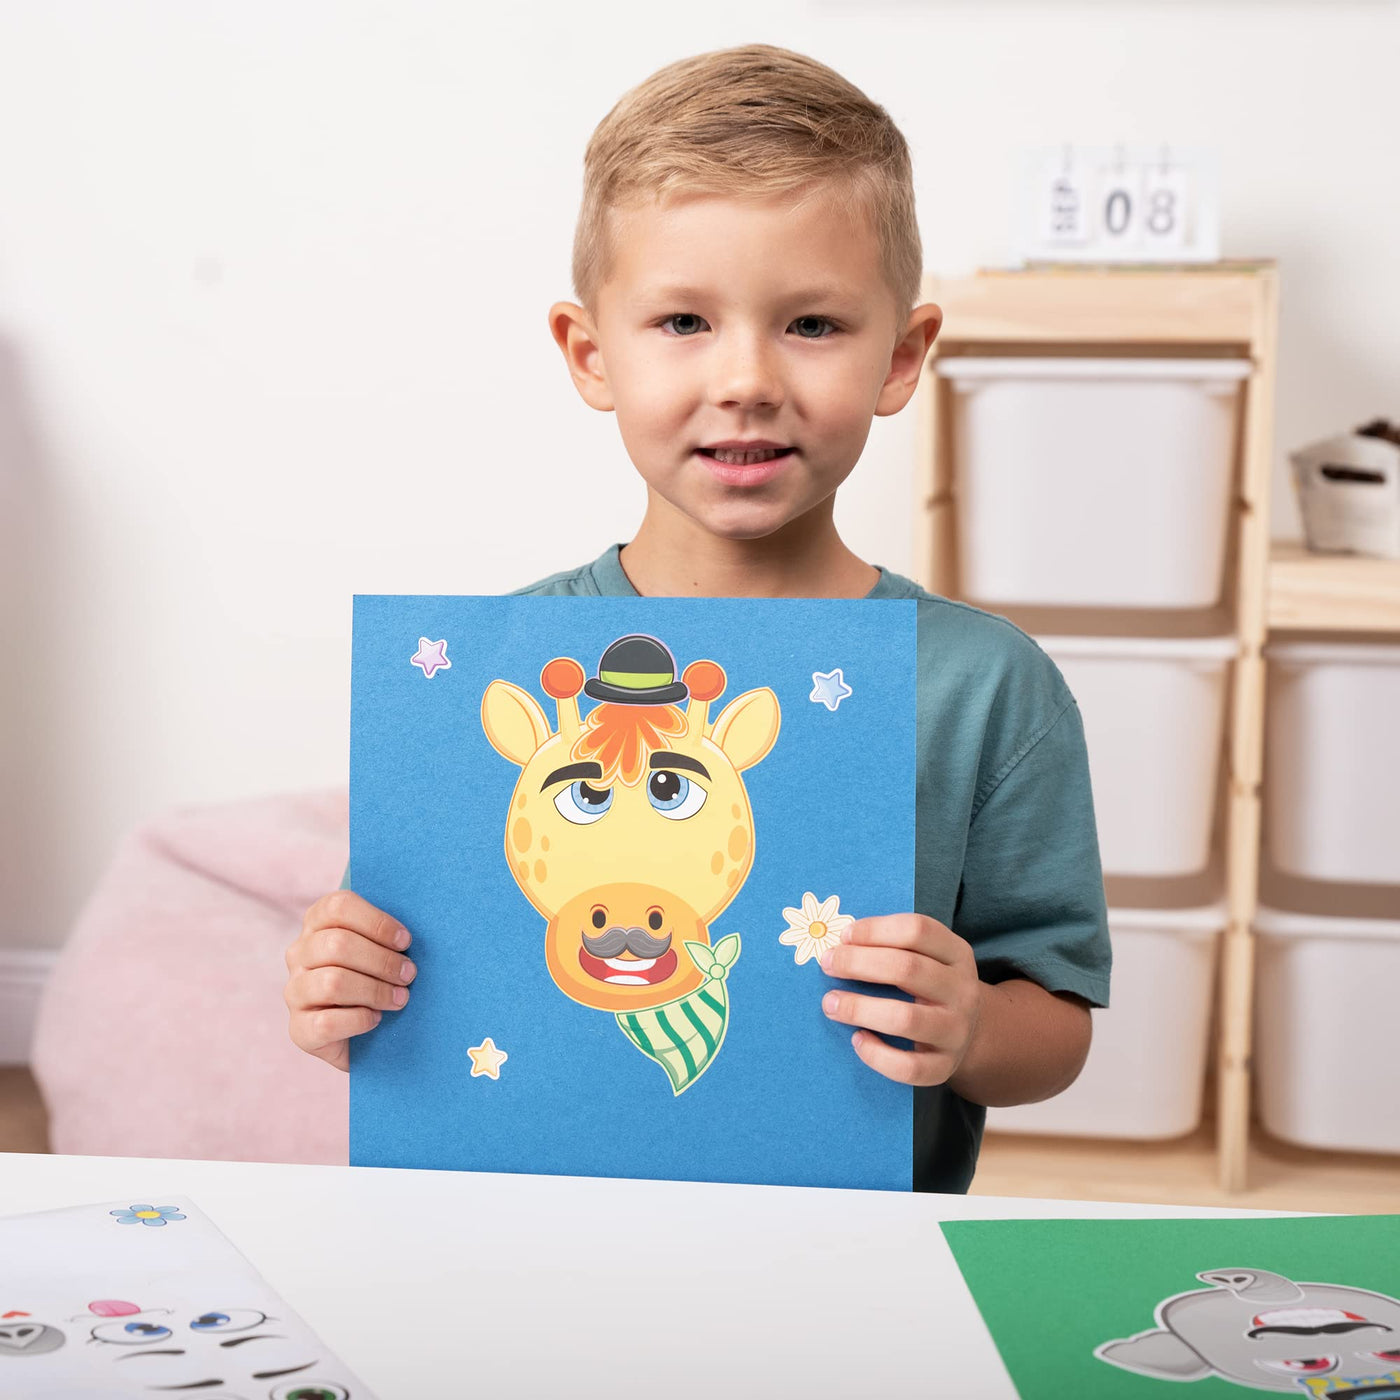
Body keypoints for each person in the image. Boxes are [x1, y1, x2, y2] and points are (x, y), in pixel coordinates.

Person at [283, 42, 1111, 1193]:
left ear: (900, 354)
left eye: (811, 324)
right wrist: (339, 995)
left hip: (847, 1265)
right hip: (530, 1244)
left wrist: (970, 1025)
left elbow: (1056, 1024)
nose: (746, 379)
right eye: (681, 321)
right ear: (589, 353)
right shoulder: (489, 674)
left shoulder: (979, 685)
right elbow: (414, 981)